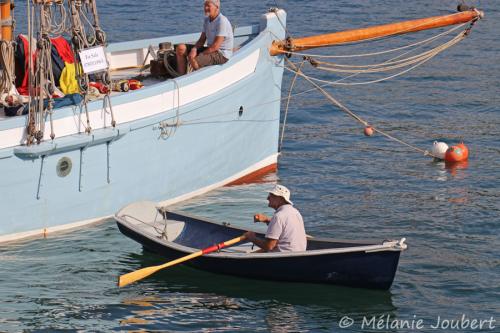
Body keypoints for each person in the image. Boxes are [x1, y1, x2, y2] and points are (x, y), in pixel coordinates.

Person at [175, 0, 234, 75]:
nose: (205, 8)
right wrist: (194, 49)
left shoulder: (222, 21)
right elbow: (202, 40)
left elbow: (216, 46)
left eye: (208, 6)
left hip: (221, 53)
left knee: (195, 60)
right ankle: (181, 77)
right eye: (205, 5)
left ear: (217, 7)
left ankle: (196, 78)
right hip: (211, 49)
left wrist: (200, 54)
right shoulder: (206, 20)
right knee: (181, 48)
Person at [244, 185, 307, 252]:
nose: (267, 198)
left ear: (280, 199)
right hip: (299, 252)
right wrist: (266, 220)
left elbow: (269, 246)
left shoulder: (278, 216)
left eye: (271, 195)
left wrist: (251, 238)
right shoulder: (296, 212)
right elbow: (283, 226)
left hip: (284, 256)